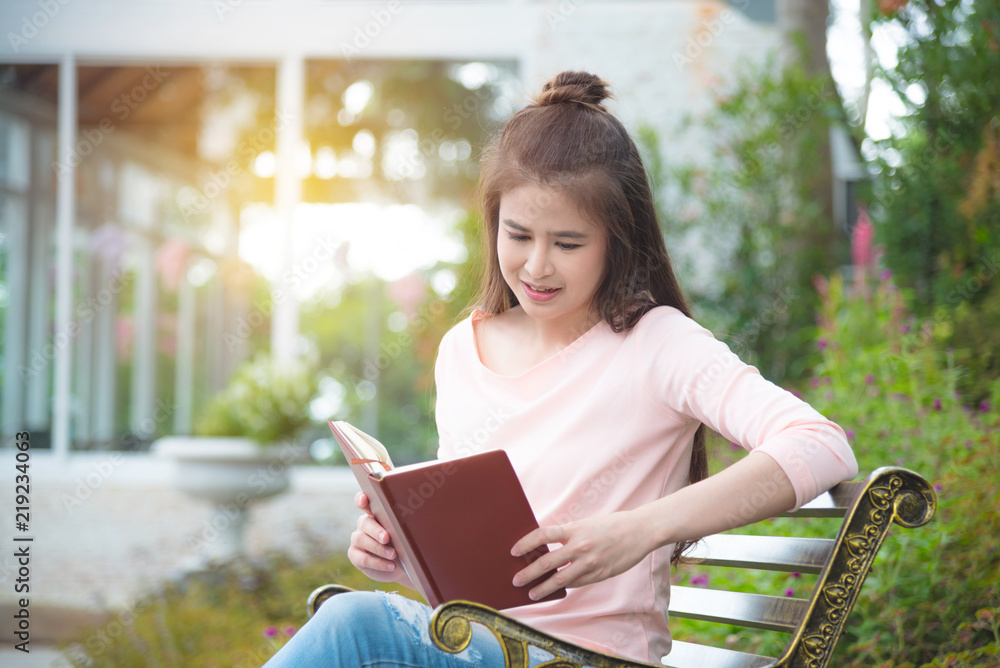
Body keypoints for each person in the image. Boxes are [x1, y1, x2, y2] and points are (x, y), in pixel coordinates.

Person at [263, 70, 858, 667]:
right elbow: (480, 587)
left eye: (568, 244)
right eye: (518, 234)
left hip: (585, 658)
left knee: (354, 627)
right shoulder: (461, 350)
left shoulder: (656, 344)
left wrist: (640, 529)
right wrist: (406, 561)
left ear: (616, 240)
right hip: (486, 648)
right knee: (359, 622)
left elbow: (819, 443)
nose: (537, 267)